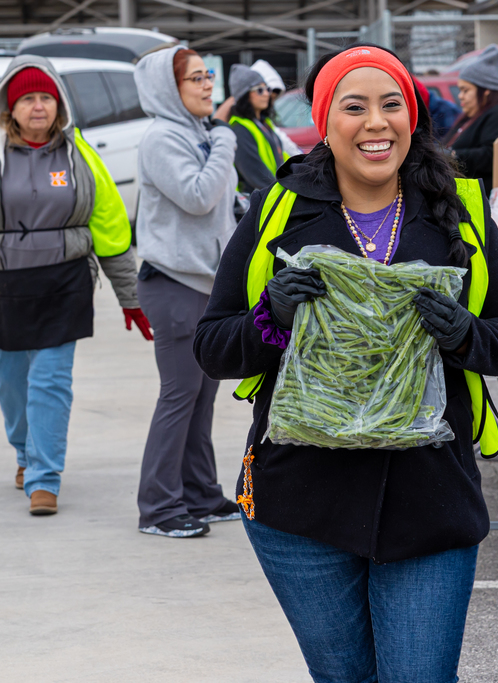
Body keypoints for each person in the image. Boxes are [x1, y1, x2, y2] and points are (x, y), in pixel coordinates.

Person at [193, 45, 498, 681]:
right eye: (354, 107)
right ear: (326, 122)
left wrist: (464, 335)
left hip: (429, 501)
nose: (376, 123)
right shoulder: (282, 212)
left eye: (392, 105)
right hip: (302, 504)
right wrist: (271, 317)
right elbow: (213, 346)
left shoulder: (457, 212)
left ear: (413, 117)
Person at [0, 56, 148, 516]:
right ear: (10, 108)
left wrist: (131, 298)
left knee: (50, 381)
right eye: (27, 98)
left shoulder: (79, 155)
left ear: (58, 105)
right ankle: (24, 454)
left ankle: (44, 478)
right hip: (6, 283)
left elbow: (108, 226)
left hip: (64, 282)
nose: (38, 106)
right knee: (13, 385)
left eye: (46, 97)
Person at [133, 47, 240, 538]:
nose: (206, 85)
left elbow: (220, 202)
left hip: (205, 283)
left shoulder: (198, 132)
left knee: (201, 398)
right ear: (167, 88)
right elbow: (197, 197)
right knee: (179, 396)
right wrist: (225, 142)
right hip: (175, 284)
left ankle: (200, 493)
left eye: (207, 75)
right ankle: (158, 507)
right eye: (195, 78)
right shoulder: (162, 137)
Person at [443, 44, 498, 194]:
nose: (460, 96)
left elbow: (494, 155)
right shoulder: (473, 115)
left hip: (487, 201)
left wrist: (454, 155)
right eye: (460, 90)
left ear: (485, 90)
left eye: (465, 90)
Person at [227, 63, 288, 194]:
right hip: (254, 205)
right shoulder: (239, 130)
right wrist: (283, 194)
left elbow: (282, 158)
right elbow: (256, 175)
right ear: (244, 95)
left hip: (271, 197)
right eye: (259, 90)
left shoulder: (264, 123)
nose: (267, 94)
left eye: (267, 88)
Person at [251, 59, 304, 156]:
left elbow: (287, 146)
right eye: (261, 91)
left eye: (273, 98)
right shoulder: (244, 124)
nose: (267, 100)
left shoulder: (264, 122)